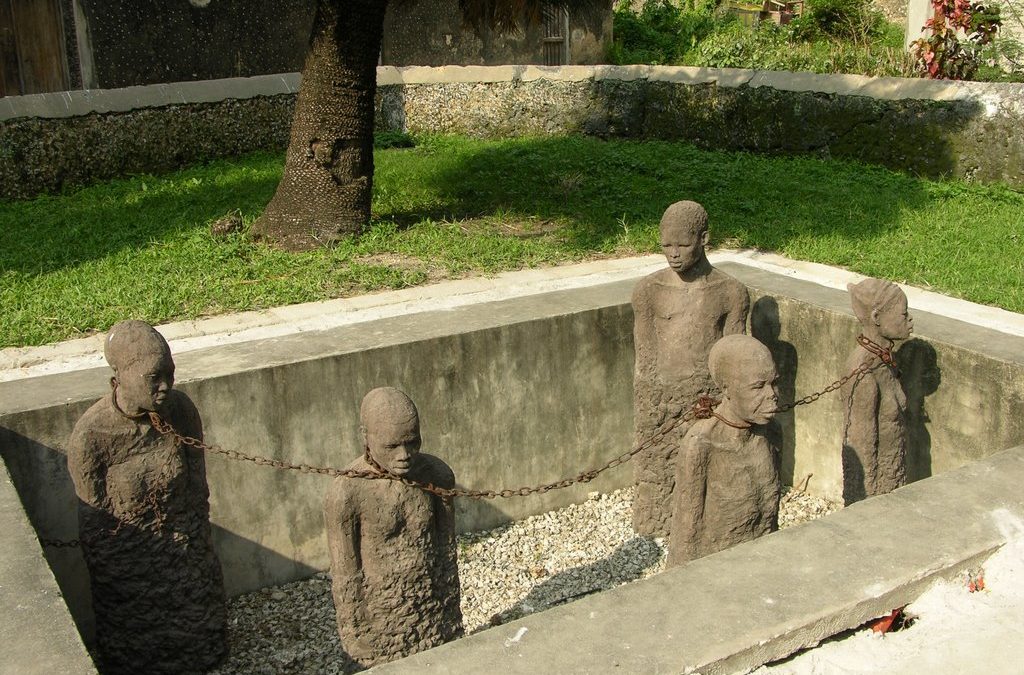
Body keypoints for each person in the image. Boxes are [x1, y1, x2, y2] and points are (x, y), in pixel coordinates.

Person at [67, 320, 226, 674]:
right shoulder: (92, 437)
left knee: (202, 641)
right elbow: (96, 532)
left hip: (188, 564)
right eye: (153, 377)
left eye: (169, 373)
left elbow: (198, 492)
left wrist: (194, 565)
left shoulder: (181, 412)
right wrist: (136, 587)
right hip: (133, 583)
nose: (165, 386)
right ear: (119, 377)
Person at [631, 200, 749, 537]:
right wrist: (653, 399)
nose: (674, 254)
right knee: (659, 472)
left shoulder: (730, 292)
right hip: (661, 400)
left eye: (683, 245)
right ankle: (657, 522)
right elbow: (645, 355)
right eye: (666, 245)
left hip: (709, 400)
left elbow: (734, 354)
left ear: (703, 238)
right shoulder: (648, 291)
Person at [324, 387, 462, 666]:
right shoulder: (347, 493)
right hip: (380, 621)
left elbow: (447, 551)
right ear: (366, 436)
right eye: (391, 446)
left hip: (430, 609)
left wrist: (450, 613)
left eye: (412, 442)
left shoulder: (436, 475)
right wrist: (356, 640)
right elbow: (346, 577)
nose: (405, 455)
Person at [667, 334, 780, 567]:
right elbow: (686, 535)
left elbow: (771, 520)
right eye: (758, 386)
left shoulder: (770, 434)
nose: (772, 395)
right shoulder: (701, 445)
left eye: (774, 382)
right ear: (727, 388)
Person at [842, 278, 913, 505]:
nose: (910, 319)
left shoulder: (884, 361)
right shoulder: (863, 372)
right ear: (876, 318)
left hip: (893, 485)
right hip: (877, 497)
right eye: (903, 314)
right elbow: (860, 454)